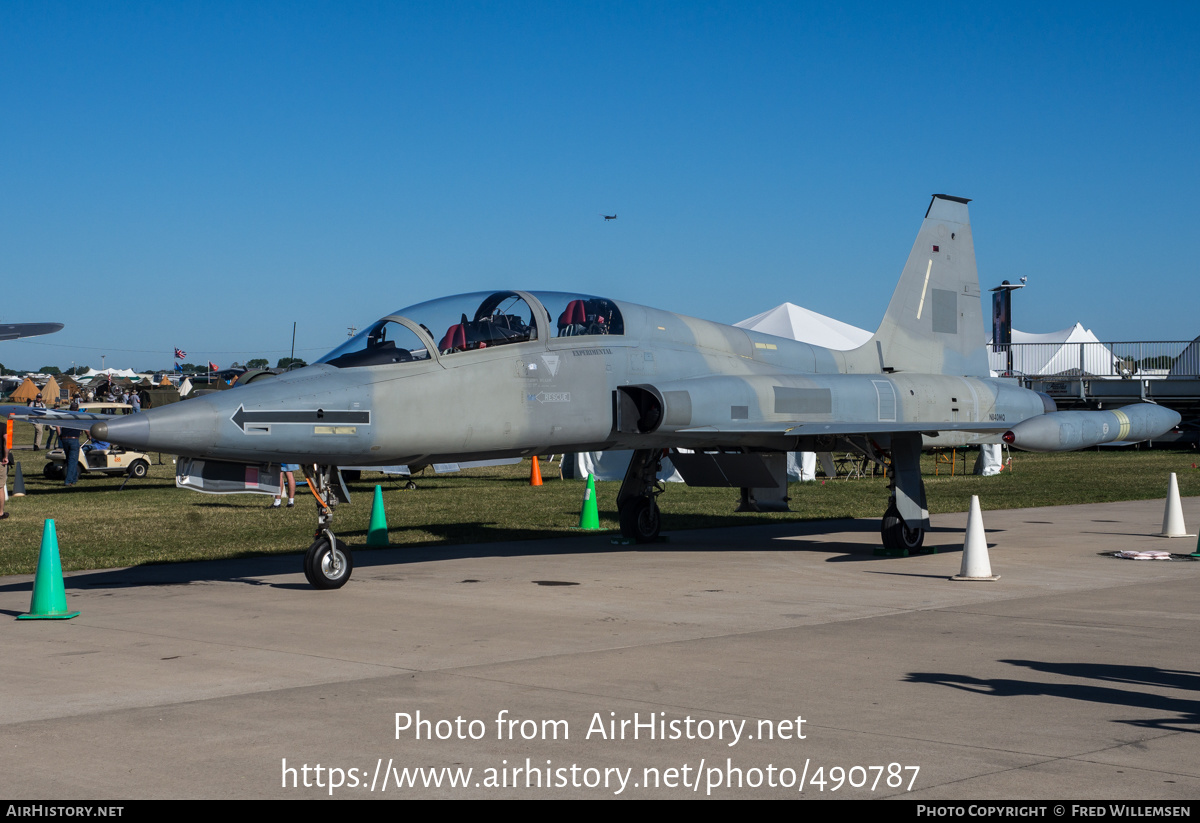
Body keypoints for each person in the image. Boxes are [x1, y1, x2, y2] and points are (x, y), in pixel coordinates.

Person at [1, 426, 9, 520]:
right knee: (0, 487)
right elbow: (7, 442)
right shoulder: (2, 427)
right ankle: (0, 513)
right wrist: (6, 456)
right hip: (0, 460)